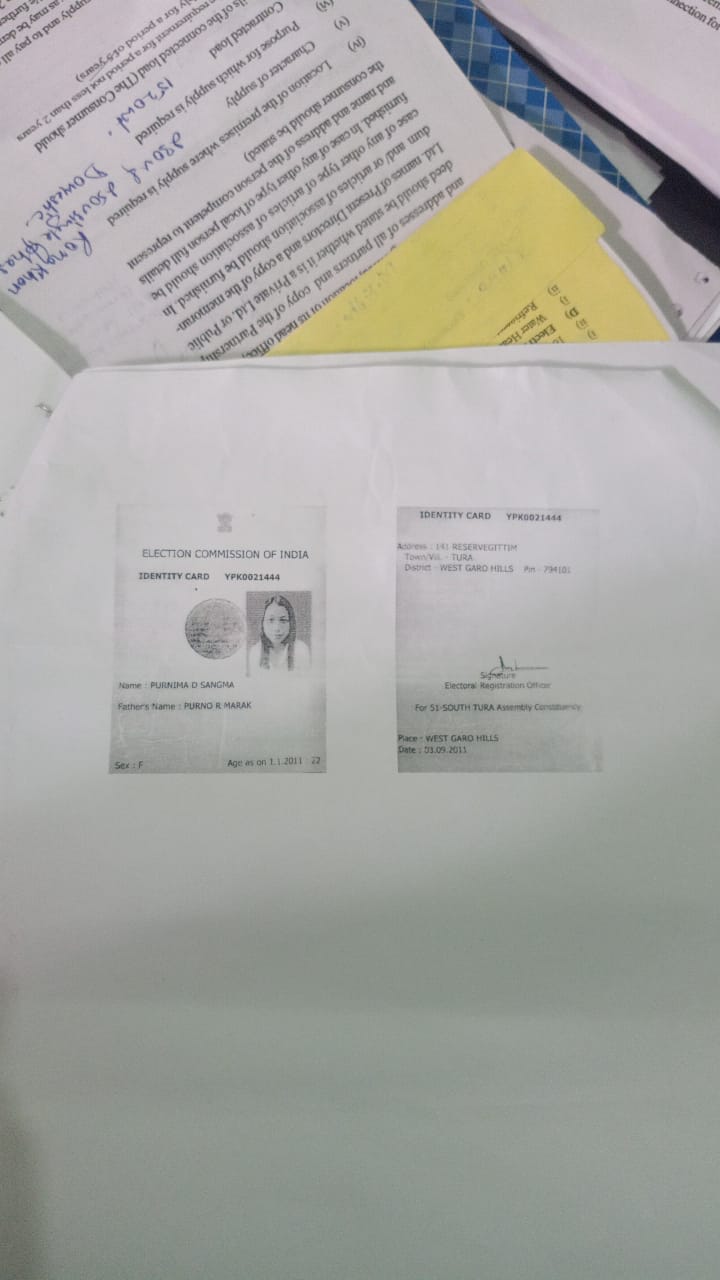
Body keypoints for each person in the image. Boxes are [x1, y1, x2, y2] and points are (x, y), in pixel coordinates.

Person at [248, 594, 310, 672]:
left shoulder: (301, 650)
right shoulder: (255, 652)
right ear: (262, 623)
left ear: (291, 623)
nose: (277, 628)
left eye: (283, 620)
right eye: (271, 620)